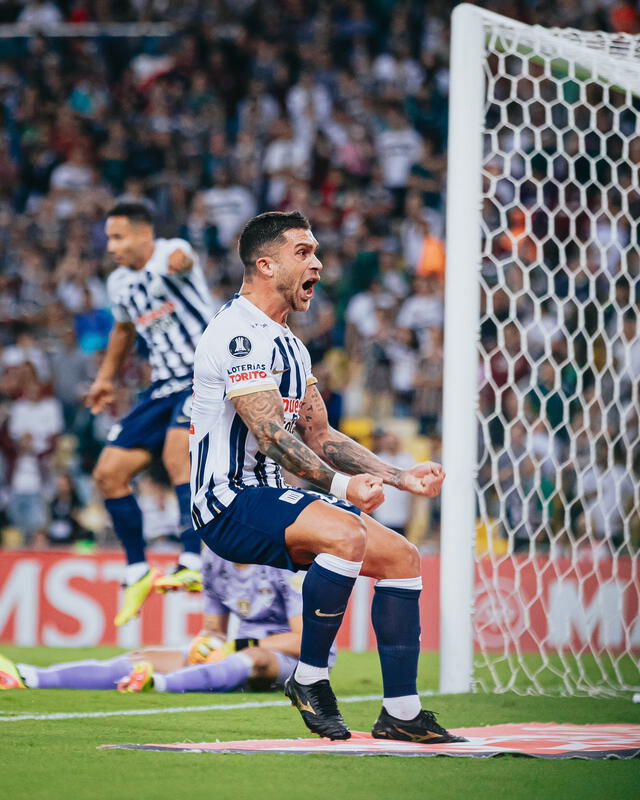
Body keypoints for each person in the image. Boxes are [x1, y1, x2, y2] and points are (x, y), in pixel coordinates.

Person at [189, 210, 465, 744]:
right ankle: (310, 677)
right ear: (265, 265)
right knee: (347, 533)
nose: (318, 263)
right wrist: (341, 488)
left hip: (273, 496)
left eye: (316, 252)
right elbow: (270, 434)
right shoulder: (237, 333)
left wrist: (399, 476)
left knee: (402, 558)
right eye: (304, 253)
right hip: (227, 499)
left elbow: (321, 435)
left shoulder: (290, 343)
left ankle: (401, 713)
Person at [85, 202, 216, 627]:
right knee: (109, 473)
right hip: (161, 387)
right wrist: (106, 378)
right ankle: (138, 570)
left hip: (204, 375)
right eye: (109, 238)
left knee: (179, 454)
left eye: (119, 237)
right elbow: (122, 330)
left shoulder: (170, 251)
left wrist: (180, 262)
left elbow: (184, 259)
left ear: (145, 235)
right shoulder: (119, 283)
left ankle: (192, 561)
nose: (111, 247)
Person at [0, 550, 305, 694]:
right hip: (235, 651)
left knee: (253, 657)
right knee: (143, 657)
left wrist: (236, 646)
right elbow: (214, 631)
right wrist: (209, 644)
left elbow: (302, 640)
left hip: (291, 662)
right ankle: (29, 676)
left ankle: (158, 685)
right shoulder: (214, 559)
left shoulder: (282, 560)